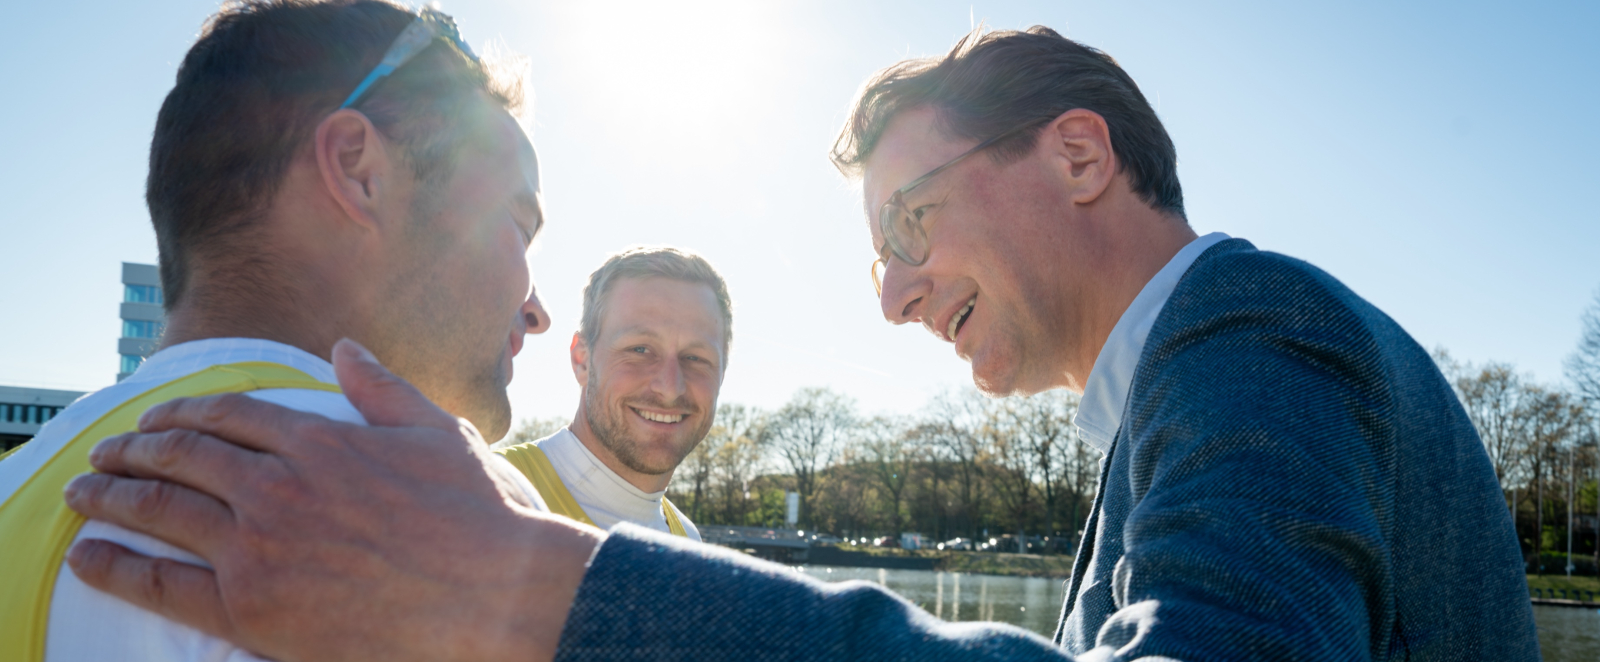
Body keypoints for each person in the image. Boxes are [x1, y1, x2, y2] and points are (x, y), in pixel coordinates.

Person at [59, 24, 1540, 662]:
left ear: (1079, 154)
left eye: (911, 223)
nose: (891, 296)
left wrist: (533, 588)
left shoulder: (1249, 331)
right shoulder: (1192, 389)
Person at [0, 1, 564, 660]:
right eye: (518, 224)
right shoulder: (444, 516)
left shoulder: (22, 481)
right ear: (358, 169)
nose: (537, 310)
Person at [494, 246, 735, 541]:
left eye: (695, 358)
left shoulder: (687, 538)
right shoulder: (487, 495)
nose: (670, 388)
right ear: (582, 360)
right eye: (640, 349)